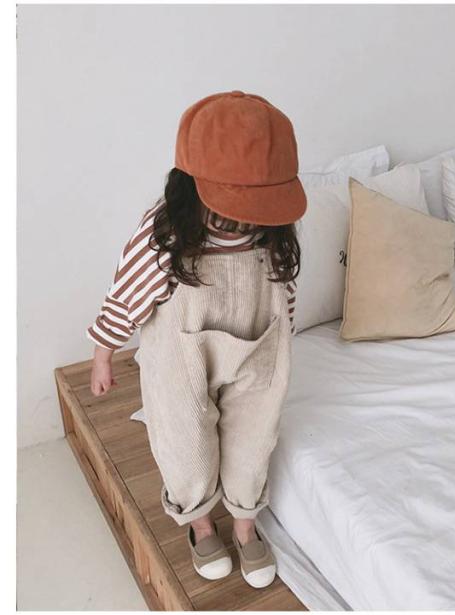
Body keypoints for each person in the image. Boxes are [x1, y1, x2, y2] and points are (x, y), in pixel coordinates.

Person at [86, 91, 306, 588]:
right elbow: (127, 292)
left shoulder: (273, 232)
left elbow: (284, 290)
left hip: (258, 349)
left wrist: (286, 336)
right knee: (185, 441)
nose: (249, 216)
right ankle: (201, 523)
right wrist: (104, 354)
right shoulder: (167, 232)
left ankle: (245, 525)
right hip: (180, 357)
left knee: (254, 440)